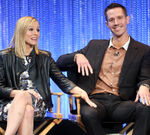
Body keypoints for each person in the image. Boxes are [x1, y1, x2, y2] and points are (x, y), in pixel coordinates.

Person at [56, 3, 150, 135]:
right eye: (111, 20)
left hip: (121, 103)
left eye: (119, 18)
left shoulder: (143, 50)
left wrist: (145, 86)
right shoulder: (94, 45)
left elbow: (146, 76)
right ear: (107, 24)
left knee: (145, 109)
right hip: (94, 101)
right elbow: (59, 63)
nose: (116, 23)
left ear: (127, 19)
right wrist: (77, 56)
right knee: (87, 112)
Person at [0, 16, 96, 135]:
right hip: (10, 105)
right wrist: (17, 93)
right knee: (26, 108)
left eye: (38, 30)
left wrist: (82, 92)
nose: (36, 33)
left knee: (28, 104)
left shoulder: (45, 57)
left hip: (37, 105)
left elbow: (61, 80)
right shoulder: (4, 56)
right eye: (31, 29)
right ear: (21, 31)